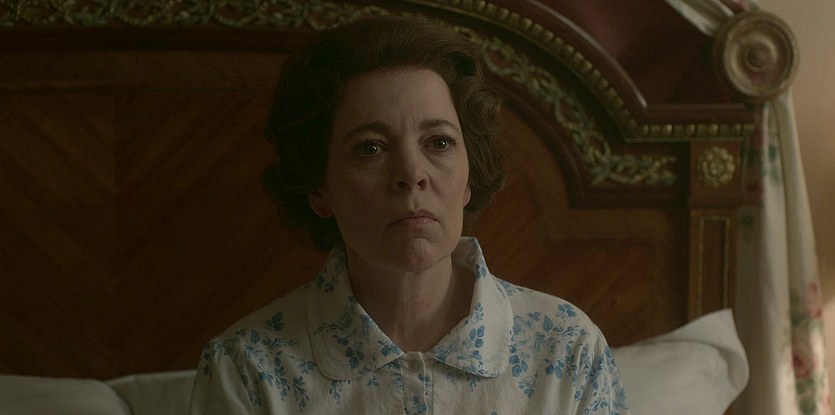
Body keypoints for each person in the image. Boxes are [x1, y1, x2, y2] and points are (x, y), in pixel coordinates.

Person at [189, 14, 629, 415]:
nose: (412, 174)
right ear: (319, 188)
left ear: (470, 176)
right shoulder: (247, 368)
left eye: (439, 142)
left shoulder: (567, 348)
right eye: (371, 148)